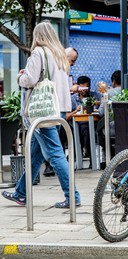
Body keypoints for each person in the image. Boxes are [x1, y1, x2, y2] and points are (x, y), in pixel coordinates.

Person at [1, 20, 81, 208]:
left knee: (55, 154)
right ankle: (21, 193)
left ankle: (73, 196)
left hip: (43, 111)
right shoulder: (60, 55)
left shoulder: (39, 52)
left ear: (38, 35)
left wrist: (20, 76)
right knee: (36, 155)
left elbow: (29, 80)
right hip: (58, 108)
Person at [43, 46, 79, 177]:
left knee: (56, 142)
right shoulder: (57, 66)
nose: (73, 63)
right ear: (66, 56)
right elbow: (57, 88)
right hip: (56, 109)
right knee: (55, 144)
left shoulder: (63, 68)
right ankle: (61, 171)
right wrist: (71, 89)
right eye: (73, 60)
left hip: (60, 109)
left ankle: (22, 190)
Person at [66, 75, 102, 168]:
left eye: (86, 87)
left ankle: (89, 159)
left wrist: (97, 103)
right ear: (78, 87)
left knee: (87, 131)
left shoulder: (95, 95)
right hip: (77, 124)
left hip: (94, 123)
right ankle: (84, 158)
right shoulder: (73, 99)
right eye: (82, 87)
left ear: (89, 87)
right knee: (84, 130)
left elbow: (104, 102)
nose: (84, 90)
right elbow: (66, 117)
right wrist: (76, 110)